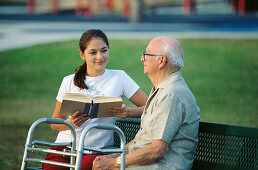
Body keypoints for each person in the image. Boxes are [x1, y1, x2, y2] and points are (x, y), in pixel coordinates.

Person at [43, 29, 148, 170]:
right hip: (65, 147)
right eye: (93, 52)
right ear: (82, 54)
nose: (100, 56)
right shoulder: (68, 81)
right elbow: (55, 123)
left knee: (84, 167)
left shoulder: (120, 77)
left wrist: (128, 111)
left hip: (97, 151)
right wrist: (70, 123)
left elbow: (151, 106)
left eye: (104, 50)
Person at [92, 36, 200, 170]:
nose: (142, 58)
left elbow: (157, 150)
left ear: (161, 61)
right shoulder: (163, 90)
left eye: (146, 54)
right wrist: (113, 156)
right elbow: (143, 140)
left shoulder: (171, 94)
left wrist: (115, 163)